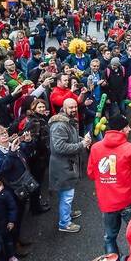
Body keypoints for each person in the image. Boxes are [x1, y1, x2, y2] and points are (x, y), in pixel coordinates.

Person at [87, 115, 131, 254]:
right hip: (128, 199)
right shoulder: (130, 148)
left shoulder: (95, 148)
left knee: (110, 237)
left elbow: (90, 173)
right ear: (122, 129)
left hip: (107, 202)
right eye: (127, 127)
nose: (130, 129)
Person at [49, 98, 89, 233]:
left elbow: (68, 139)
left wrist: (80, 139)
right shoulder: (60, 125)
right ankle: (64, 223)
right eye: (71, 107)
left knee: (65, 194)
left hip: (67, 165)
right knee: (67, 195)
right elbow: (59, 147)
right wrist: (81, 145)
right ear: (64, 108)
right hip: (62, 166)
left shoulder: (68, 121)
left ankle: (67, 213)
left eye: (75, 107)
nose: (74, 110)